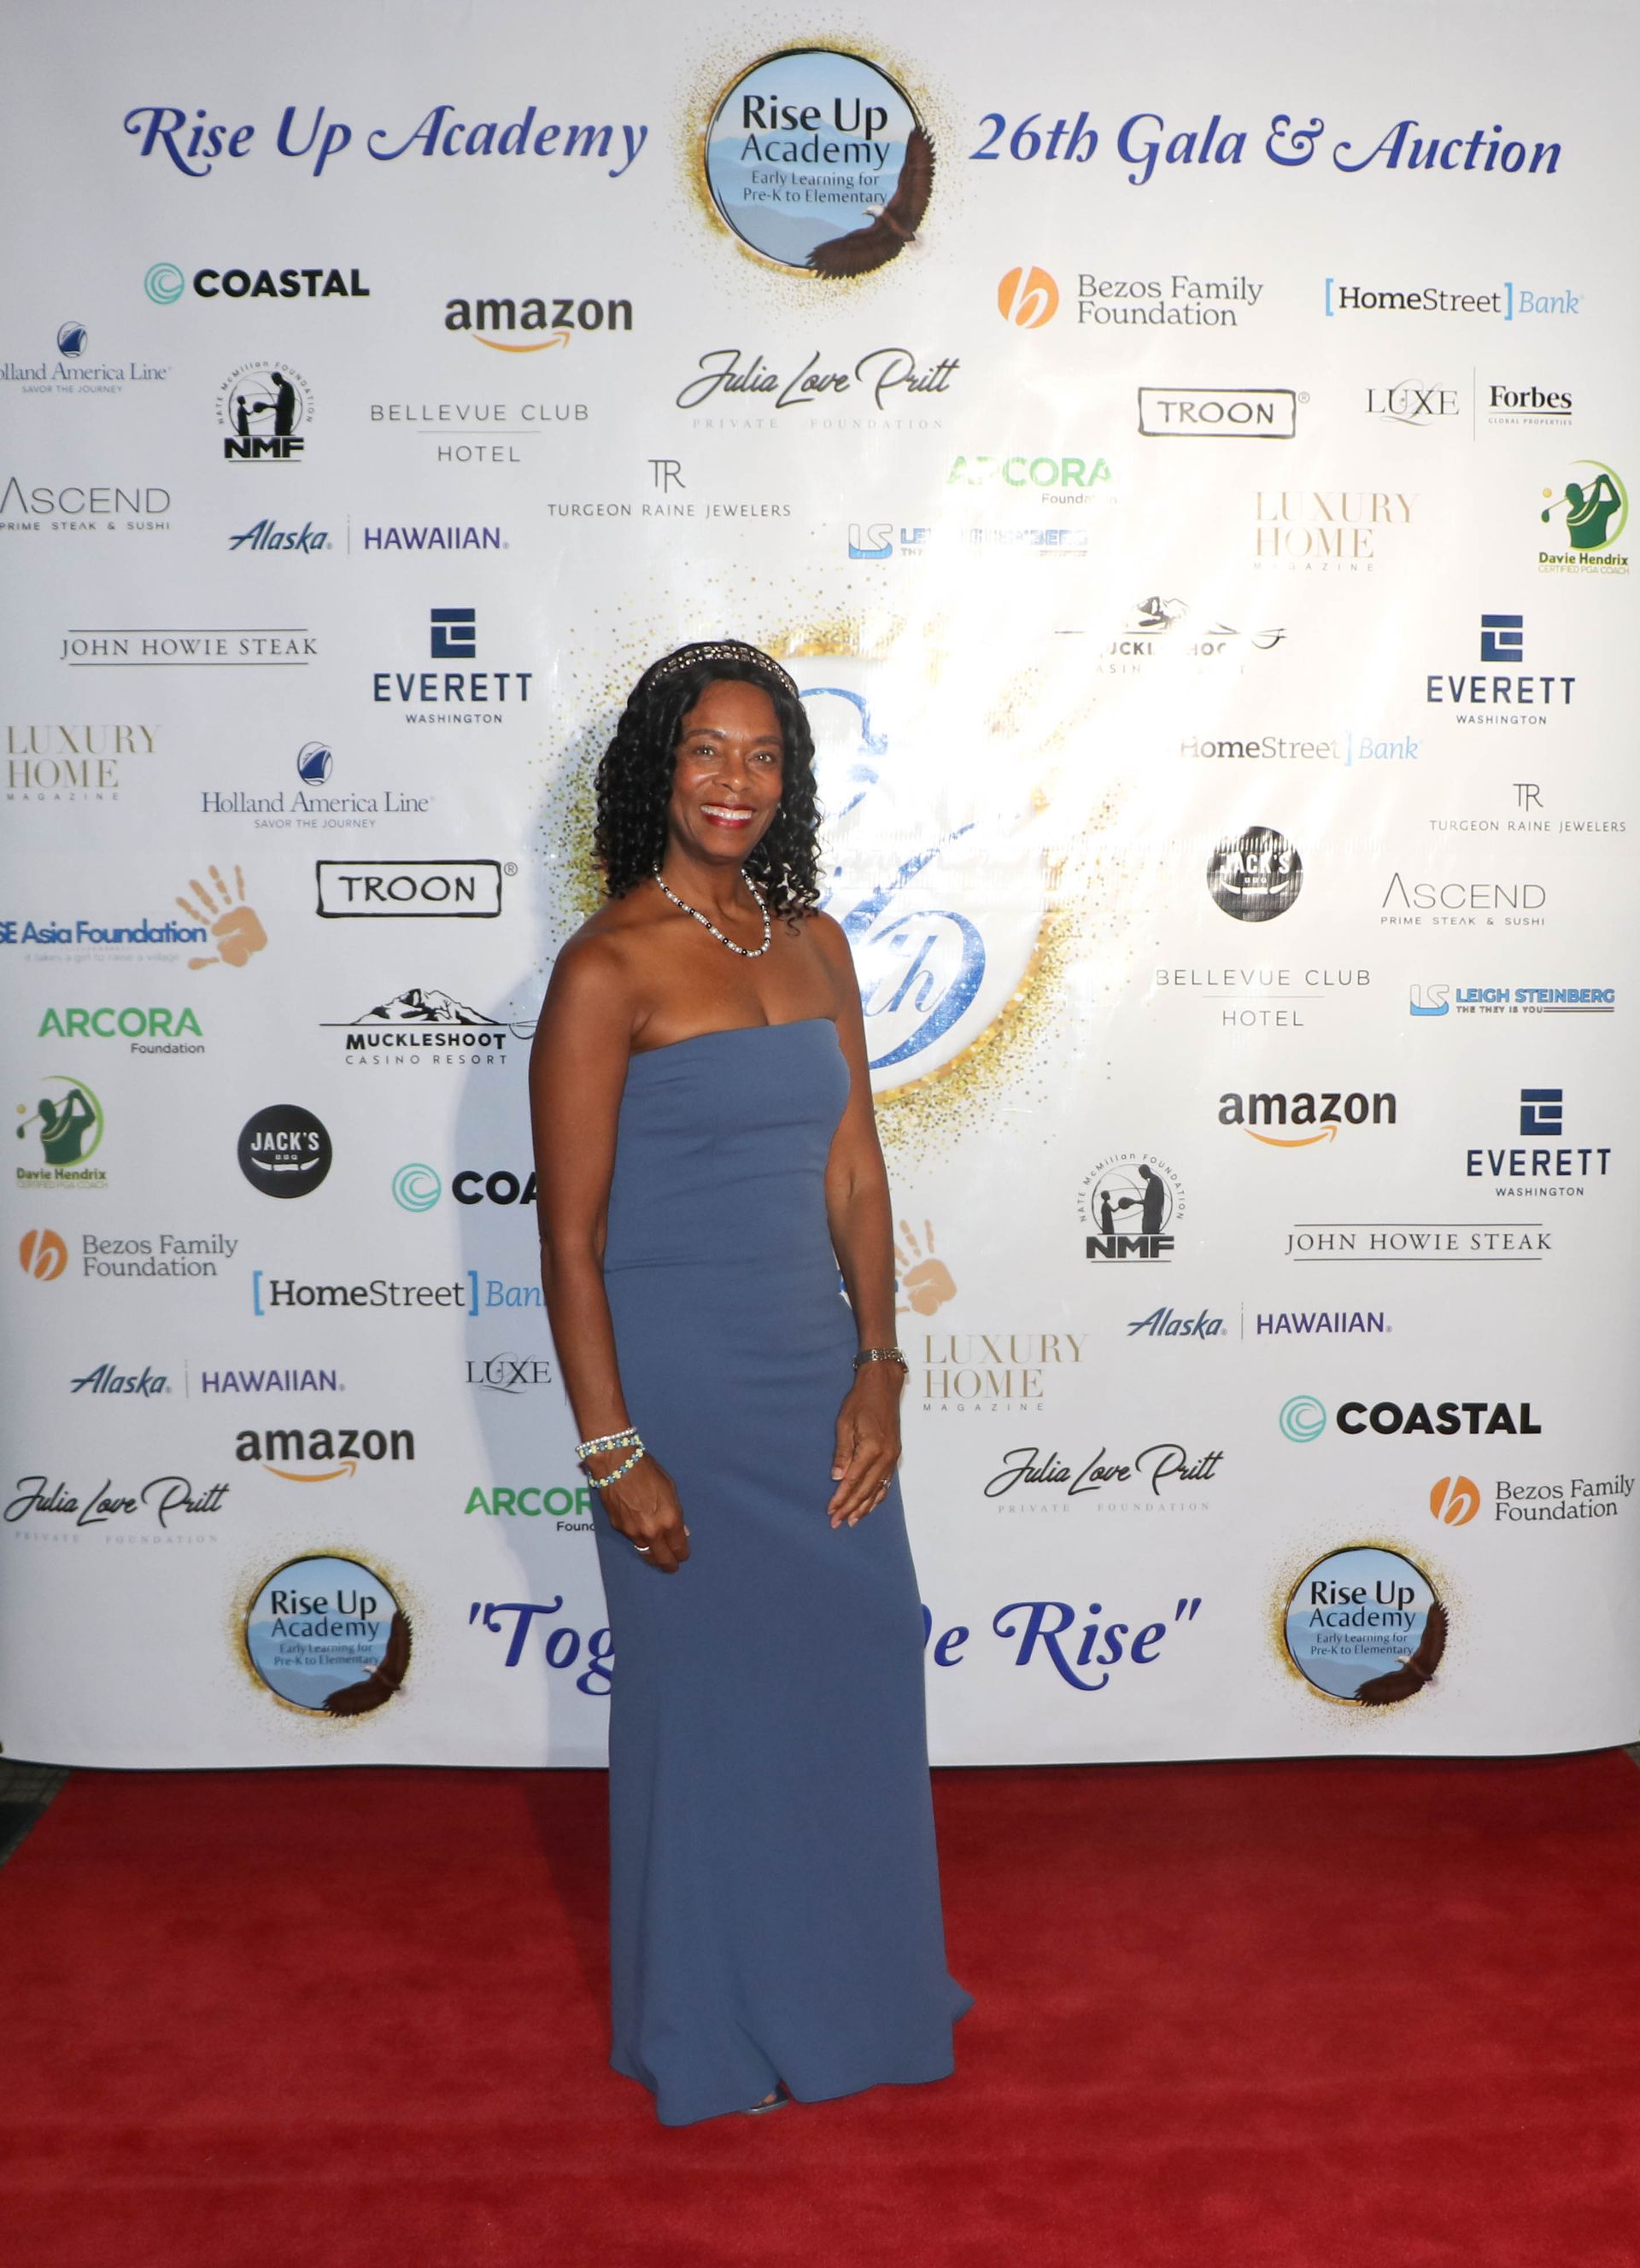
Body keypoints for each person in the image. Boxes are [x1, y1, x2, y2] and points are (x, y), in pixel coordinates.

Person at [528, 638, 970, 2126]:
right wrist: (613, 1448)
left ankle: (855, 1999)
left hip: (813, 1373)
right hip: (683, 1392)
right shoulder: (606, 969)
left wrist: (881, 1366)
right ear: (658, 768)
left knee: (859, 1670)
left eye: (764, 754)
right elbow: (570, 1240)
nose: (737, 780)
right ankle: (714, 2023)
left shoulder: (817, 944)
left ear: (793, 779)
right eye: (708, 751)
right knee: (708, 1708)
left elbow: (856, 1172)